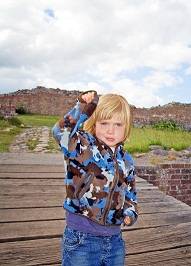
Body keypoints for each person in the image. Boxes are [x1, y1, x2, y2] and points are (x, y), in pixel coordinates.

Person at [52, 90, 138, 266]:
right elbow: (59, 131)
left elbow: (131, 195)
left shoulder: (127, 161)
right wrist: (83, 107)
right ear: (94, 122)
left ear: (126, 128)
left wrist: (130, 213)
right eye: (104, 122)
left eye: (118, 125)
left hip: (114, 240)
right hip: (81, 238)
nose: (110, 130)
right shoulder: (81, 146)